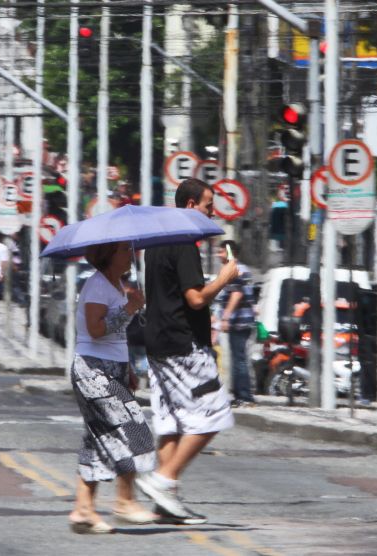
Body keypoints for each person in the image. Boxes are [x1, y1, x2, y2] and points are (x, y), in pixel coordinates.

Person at [139, 178, 239, 525]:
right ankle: (164, 480)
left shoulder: (154, 243)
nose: (213, 211)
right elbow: (195, 298)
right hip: (183, 344)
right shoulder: (184, 241)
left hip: (156, 342)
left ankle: (165, 503)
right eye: (209, 205)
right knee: (214, 414)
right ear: (192, 204)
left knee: (171, 422)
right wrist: (225, 277)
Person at [68, 241, 157, 534]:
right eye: (123, 250)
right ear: (108, 256)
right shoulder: (97, 286)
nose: (129, 255)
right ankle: (125, 500)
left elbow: (115, 335)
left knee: (98, 439)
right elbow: (95, 330)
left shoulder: (117, 285)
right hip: (94, 371)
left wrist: (127, 367)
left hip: (112, 368)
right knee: (133, 429)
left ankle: (83, 509)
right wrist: (129, 308)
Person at [214, 240, 256, 407]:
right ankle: (240, 395)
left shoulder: (235, 270)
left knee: (239, 359)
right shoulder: (238, 269)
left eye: (222, 252)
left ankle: (244, 396)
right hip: (240, 322)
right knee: (238, 357)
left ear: (230, 253)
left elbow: (236, 295)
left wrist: (225, 318)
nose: (218, 255)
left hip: (239, 322)